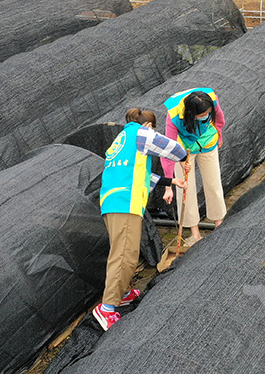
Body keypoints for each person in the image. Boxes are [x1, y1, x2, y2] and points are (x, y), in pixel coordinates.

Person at [93, 108, 189, 331]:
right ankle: (107, 308)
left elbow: (143, 174)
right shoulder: (141, 134)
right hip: (125, 203)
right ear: (148, 126)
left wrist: (172, 182)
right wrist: (184, 156)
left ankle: (123, 292)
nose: (153, 132)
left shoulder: (122, 139)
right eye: (153, 127)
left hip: (113, 202)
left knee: (125, 249)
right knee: (124, 254)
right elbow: (171, 147)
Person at [161, 88, 227, 246]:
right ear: (190, 114)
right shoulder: (174, 116)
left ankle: (219, 224)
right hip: (183, 148)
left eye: (207, 114)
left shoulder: (211, 98)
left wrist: (219, 134)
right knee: (185, 188)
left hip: (208, 141)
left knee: (214, 183)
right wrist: (168, 183)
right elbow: (168, 149)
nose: (206, 116)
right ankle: (195, 233)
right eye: (202, 115)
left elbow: (219, 118)